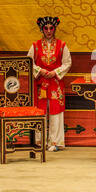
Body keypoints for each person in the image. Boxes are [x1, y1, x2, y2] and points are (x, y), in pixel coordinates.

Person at [27, 16, 72, 152]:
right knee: (40, 111)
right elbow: (28, 62)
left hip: (55, 83)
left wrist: (56, 72)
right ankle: (38, 141)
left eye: (51, 28)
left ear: (54, 29)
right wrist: (39, 70)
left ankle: (55, 142)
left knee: (55, 112)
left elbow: (67, 62)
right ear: (42, 29)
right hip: (41, 83)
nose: (48, 31)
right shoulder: (35, 46)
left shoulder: (62, 45)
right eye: (45, 28)